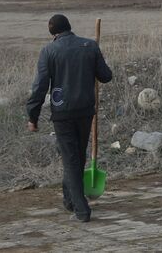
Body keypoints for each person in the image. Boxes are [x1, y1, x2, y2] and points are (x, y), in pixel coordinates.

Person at [25, 14, 113, 223]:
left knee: (72, 159)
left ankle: (81, 209)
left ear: (52, 32)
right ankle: (69, 200)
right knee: (76, 157)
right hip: (85, 111)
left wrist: (32, 116)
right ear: (69, 27)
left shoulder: (49, 51)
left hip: (62, 113)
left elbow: (40, 87)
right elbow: (106, 76)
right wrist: (93, 59)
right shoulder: (89, 46)